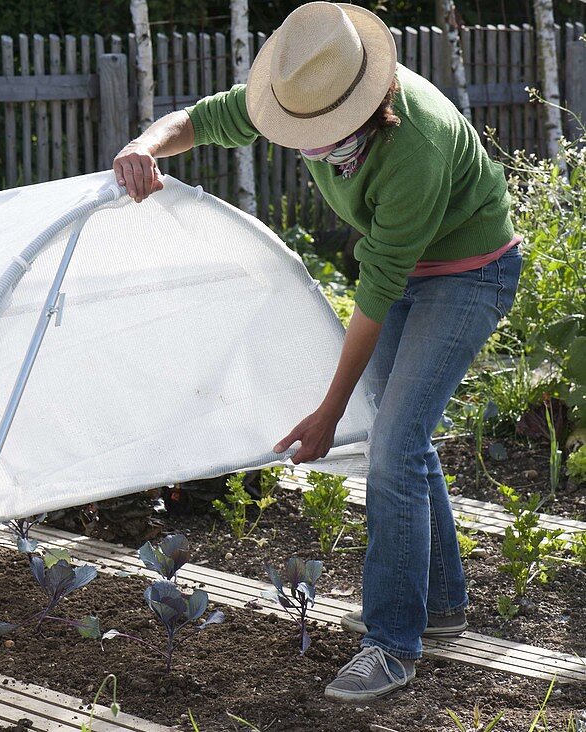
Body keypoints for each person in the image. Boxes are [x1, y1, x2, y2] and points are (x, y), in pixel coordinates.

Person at [113, 1, 522, 702]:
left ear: (365, 105)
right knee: (407, 441)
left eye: (325, 135)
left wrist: (329, 412)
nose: (311, 145)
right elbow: (200, 121)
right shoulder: (301, 91)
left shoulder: (413, 146)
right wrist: (145, 145)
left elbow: (375, 294)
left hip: (468, 270)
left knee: (393, 445)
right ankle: (443, 606)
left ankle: (393, 646)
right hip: (406, 268)